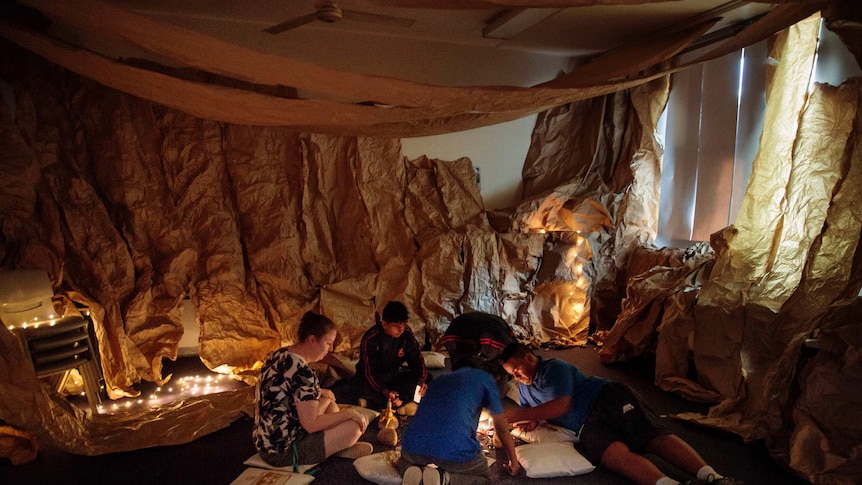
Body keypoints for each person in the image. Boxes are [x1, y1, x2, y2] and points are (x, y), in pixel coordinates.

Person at [500, 343, 736, 485]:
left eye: (518, 370)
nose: (517, 377)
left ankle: (712, 477)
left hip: (604, 397)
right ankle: (667, 483)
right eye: (512, 374)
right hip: (585, 424)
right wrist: (531, 420)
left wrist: (516, 415)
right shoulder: (524, 389)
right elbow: (540, 413)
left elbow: (561, 405)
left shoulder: (554, 368)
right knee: (612, 456)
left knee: (649, 436)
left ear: (530, 358)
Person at [253, 311, 372, 469]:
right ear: (312, 340)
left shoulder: (279, 355)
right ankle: (335, 447)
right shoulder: (304, 374)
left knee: (328, 401)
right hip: (282, 452)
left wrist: (320, 391)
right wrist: (350, 413)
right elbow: (311, 425)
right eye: (328, 343)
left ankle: (334, 445)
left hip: (264, 441)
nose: (330, 349)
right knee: (354, 427)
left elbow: (286, 386)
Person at [397, 355, 521, 485]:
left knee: (403, 462)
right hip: (453, 449)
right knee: (485, 478)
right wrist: (514, 461)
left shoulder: (439, 379)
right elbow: (501, 428)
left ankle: (408, 470)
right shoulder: (486, 380)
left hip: (413, 445)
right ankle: (444, 479)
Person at [343, 301, 429, 411]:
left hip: (394, 374)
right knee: (360, 387)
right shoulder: (371, 339)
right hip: (374, 379)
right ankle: (392, 401)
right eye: (397, 326)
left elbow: (416, 357)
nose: (401, 329)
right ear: (384, 324)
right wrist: (385, 391)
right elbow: (369, 372)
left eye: (403, 324)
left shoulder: (406, 333)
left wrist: (421, 380)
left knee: (425, 378)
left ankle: (396, 401)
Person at [440, 312, 515, 396]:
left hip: (496, 327)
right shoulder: (450, 342)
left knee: (498, 393)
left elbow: (513, 358)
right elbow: (455, 365)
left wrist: (498, 374)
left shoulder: (498, 345)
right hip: (465, 323)